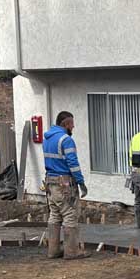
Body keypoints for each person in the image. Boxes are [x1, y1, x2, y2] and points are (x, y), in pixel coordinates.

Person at [43, 111, 89, 260]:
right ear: (66, 124)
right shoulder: (66, 140)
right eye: (72, 124)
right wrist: (81, 182)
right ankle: (71, 251)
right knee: (70, 214)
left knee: (55, 214)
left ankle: (53, 250)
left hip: (50, 182)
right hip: (64, 183)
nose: (73, 127)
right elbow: (72, 163)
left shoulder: (47, 139)